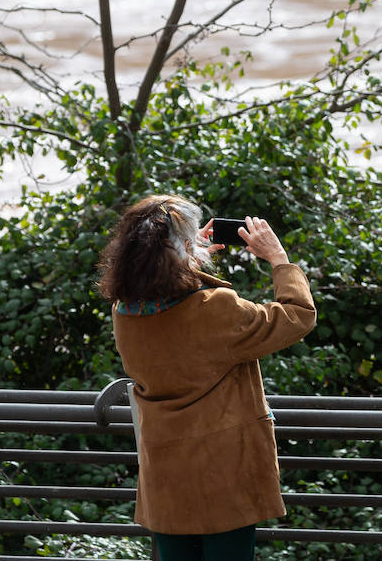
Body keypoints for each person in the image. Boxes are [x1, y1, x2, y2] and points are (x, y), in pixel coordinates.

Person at [97, 194, 316, 561]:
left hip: (165, 474)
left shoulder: (125, 311)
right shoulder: (214, 311)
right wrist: (279, 259)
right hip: (225, 475)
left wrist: (186, 255)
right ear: (183, 246)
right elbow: (297, 315)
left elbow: (167, 298)